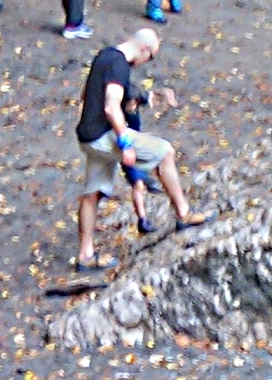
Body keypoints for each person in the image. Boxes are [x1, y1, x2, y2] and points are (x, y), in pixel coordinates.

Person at [72, 27, 194, 270]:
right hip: (105, 135)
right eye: (151, 57)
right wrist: (125, 142)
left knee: (92, 193)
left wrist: (151, 97)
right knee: (164, 152)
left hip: (87, 137)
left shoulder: (105, 55)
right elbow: (111, 106)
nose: (146, 62)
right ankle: (184, 214)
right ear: (144, 49)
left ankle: (85, 256)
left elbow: (87, 95)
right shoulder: (119, 65)